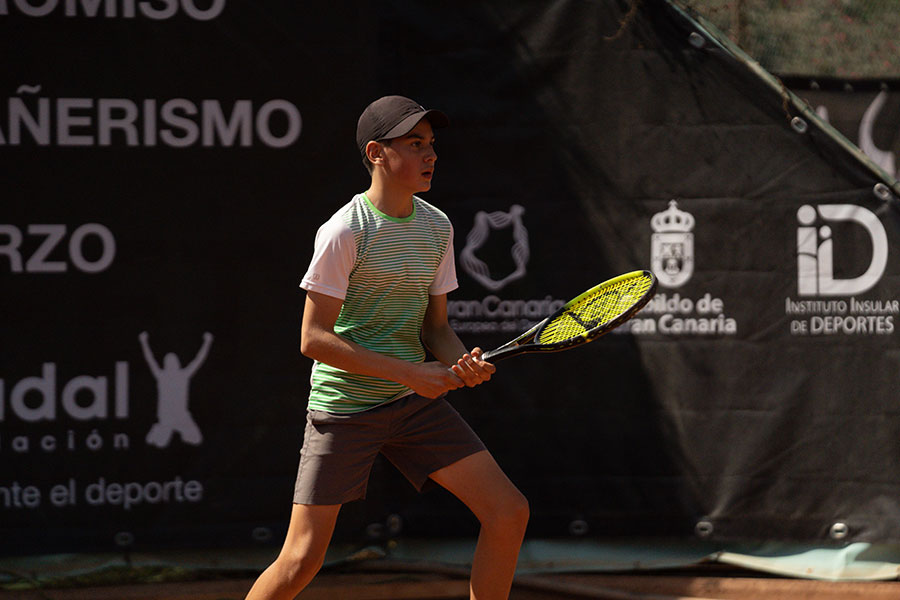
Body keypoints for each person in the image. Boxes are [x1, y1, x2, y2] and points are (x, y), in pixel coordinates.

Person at [245, 96, 529, 600]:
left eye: (431, 144)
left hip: (411, 405)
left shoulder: (437, 227)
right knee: (301, 558)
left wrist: (460, 361)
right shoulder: (344, 231)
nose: (430, 155)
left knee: (508, 512)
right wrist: (411, 373)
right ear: (377, 153)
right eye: (414, 144)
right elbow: (313, 339)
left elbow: (435, 328)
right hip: (345, 409)